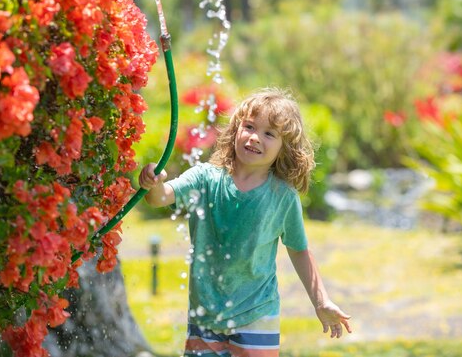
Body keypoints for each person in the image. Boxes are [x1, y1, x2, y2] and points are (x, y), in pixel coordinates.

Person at [139, 88, 351, 357]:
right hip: (205, 314)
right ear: (235, 130)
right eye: (249, 126)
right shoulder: (206, 178)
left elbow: (299, 249)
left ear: (284, 147)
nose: (254, 137)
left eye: (269, 134)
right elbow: (160, 198)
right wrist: (153, 183)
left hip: (256, 314)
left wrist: (321, 301)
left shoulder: (282, 196)